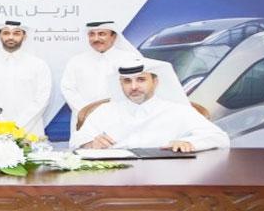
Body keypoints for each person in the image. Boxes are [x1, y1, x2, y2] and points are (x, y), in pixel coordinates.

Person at [70, 58, 230, 152]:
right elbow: (77, 140)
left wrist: (190, 143)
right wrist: (91, 143)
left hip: (166, 179)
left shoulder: (178, 111)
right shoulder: (105, 111)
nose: (133, 87)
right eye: (127, 81)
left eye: (141, 80)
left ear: (155, 81)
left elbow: (219, 138)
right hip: (115, 179)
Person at [0, 20, 51, 136]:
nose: (11, 37)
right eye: (6, 33)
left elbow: (42, 98)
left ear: (24, 37)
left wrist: (18, 124)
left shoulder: (38, 65)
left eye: (16, 33)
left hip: (29, 130)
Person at [60, 21, 141, 134]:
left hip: (119, 119)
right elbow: (68, 88)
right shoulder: (76, 61)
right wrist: (87, 109)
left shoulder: (130, 59)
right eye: (91, 34)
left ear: (113, 37)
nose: (96, 39)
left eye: (102, 34)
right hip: (85, 119)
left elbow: (138, 89)